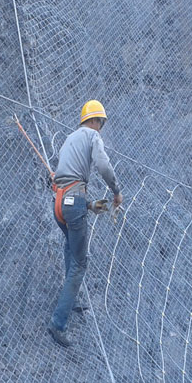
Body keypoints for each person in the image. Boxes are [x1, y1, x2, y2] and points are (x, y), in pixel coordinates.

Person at [47, 100, 122, 347]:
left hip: (59, 203)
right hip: (72, 202)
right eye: (100, 123)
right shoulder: (92, 136)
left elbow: (66, 181)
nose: (100, 127)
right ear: (96, 120)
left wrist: (88, 205)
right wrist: (116, 192)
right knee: (80, 263)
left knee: (70, 248)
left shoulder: (69, 139)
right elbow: (103, 165)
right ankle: (58, 323)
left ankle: (71, 299)